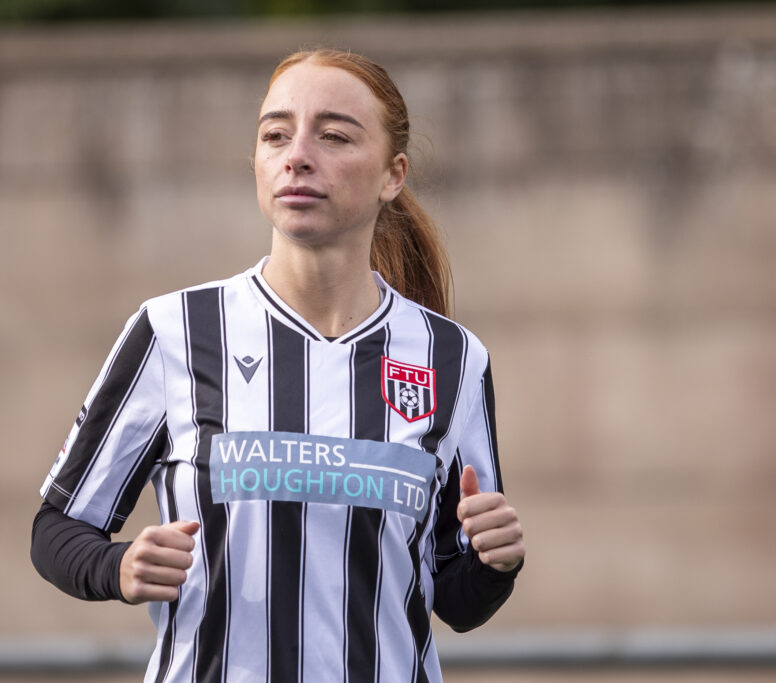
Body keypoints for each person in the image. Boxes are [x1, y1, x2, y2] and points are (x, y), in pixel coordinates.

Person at [31, 48, 525, 683]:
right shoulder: (175, 331)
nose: (297, 155)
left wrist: (495, 564)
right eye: (275, 135)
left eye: (334, 135)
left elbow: (455, 597)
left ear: (392, 175)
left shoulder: (452, 358)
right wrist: (118, 568)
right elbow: (59, 527)